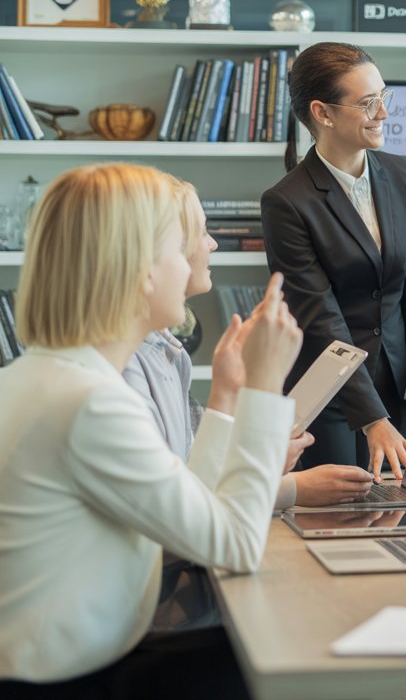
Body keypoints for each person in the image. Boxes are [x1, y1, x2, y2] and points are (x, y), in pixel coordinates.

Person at [0, 163, 301, 698]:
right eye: (177, 249)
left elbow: (197, 512)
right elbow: (233, 543)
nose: (190, 265)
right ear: (141, 269)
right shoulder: (89, 403)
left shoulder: (51, 377)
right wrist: (264, 384)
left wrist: (232, 391)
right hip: (69, 683)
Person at [124, 181, 376, 508]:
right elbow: (188, 517)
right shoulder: (124, 371)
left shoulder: (169, 353)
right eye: (202, 233)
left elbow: (196, 471)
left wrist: (258, 444)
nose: (213, 244)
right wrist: (281, 480)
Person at [262, 42, 406, 481]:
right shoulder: (287, 202)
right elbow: (321, 319)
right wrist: (372, 419)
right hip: (332, 397)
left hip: (400, 386)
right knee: (343, 511)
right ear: (322, 113)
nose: (383, 113)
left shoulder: (403, 175)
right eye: (367, 103)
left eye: (384, 97)